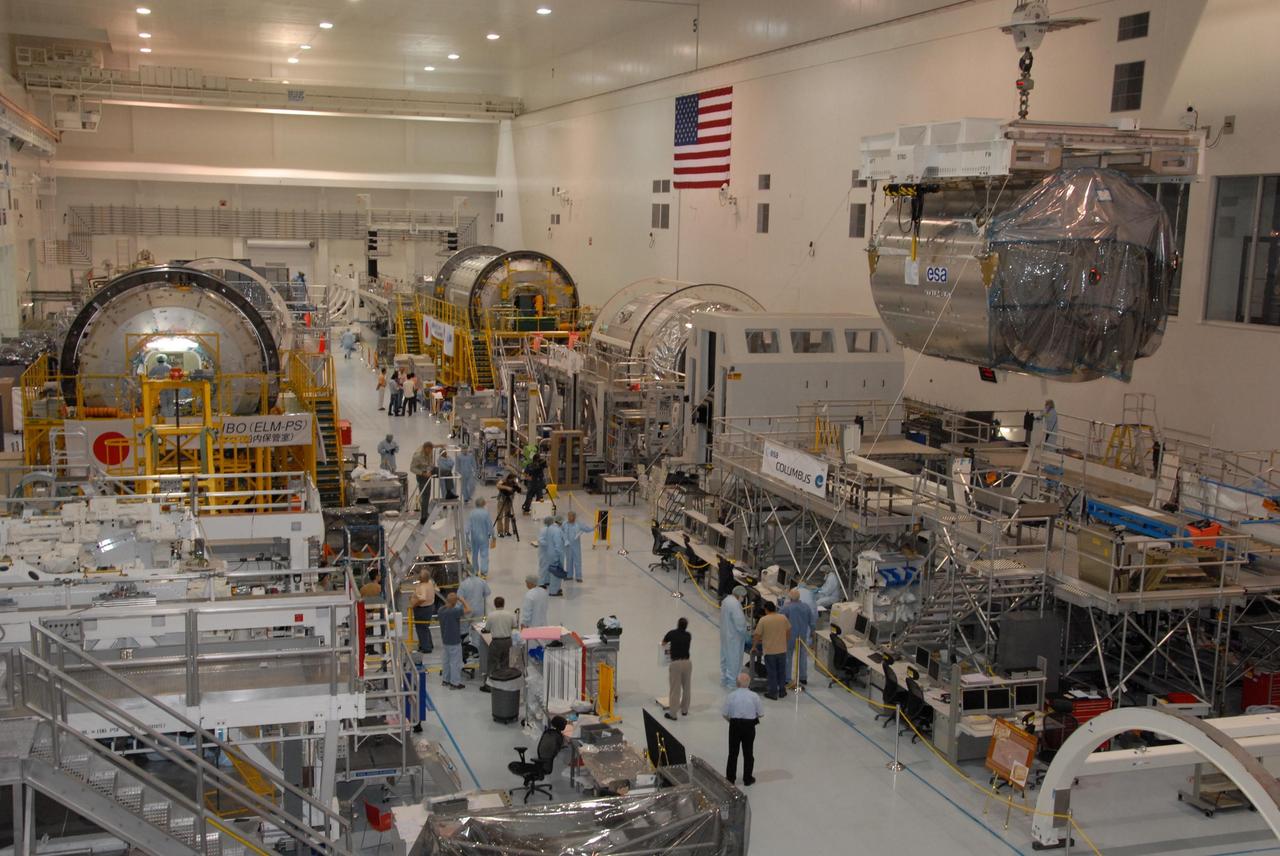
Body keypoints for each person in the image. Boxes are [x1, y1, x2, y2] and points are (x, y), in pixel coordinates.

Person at [722, 672, 764, 786]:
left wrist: (731, 722)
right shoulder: (754, 696)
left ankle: (730, 779)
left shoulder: (731, 696)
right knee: (748, 752)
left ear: (737, 683)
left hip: (735, 725)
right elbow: (761, 714)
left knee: (733, 753)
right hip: (749, 726)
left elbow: (725, 713)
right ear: (749, 683)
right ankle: (747, 778)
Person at [752, 601, 791, 700]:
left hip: (770, 651)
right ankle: (782, 691)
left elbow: (757, 635)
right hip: (782, 650)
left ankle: (773, 692)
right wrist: (785, 642)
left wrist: (754, 646)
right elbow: (788, 630)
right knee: (782, 671)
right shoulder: (783, 618)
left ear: (766, 609)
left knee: (772, 672)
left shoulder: (764, 620)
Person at [780, 588, 817, 688]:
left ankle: (787, 678)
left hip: (789, 636)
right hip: (802, 635)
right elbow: (812, 622)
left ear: (790, 597)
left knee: (788, 656)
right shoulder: (806, 607)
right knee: (803, 655)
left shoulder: (786, 608)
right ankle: (803, 677)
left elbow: (779, 620)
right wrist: (812, 634)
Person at [437, 592, 471, 689]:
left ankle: (445, 680)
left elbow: (447, 606)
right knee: (455, 662)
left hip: (445, 640)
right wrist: (462, 600)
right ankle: (455, 683)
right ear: (455, 602)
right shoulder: (455, 611)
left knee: (446, 661)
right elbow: (469, 609)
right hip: (454, 641)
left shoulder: (441, 610)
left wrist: (451, 600)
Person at [662, 617, 692, 720]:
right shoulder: (688, 635)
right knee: (687, 688)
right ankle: (684, 710)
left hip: (676, 664)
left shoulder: (672, 633)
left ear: (678, 624)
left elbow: (663, 643)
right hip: (687, 663)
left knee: (675, 689)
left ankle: (673, 714)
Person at [482, 595, 516, 688]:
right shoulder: (510, 614)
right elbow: (514, 625)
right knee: (505, 663)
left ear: (494, 604)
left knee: (492, 663)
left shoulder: (491, 615)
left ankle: (489, 685)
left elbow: (487, 628)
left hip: (496, 642)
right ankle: (504, 683)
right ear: (504, 604)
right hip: (508, 641)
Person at [720, 587, 750, 688]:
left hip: (726, 634)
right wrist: (746, 634)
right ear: (740, 596)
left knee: (726, 657)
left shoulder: (726, 600)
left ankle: (724, 679)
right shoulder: (735, 605)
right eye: (743, 597)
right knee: (734, 660)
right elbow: (740, 623)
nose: (743, 599)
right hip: (734, 637)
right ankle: (732, 683)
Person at [409, 569, 438, 656]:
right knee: (425, 627)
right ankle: (428, 644)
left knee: (421, 628)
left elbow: (422, 598)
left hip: (422, 608)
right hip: (429, 607)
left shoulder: (423, 587)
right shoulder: (430, 583)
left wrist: (414, 604)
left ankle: (426, 648)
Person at [466, 498, 496, 577]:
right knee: (484, 555)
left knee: (474, 555)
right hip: (484, 538)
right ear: (483, 504)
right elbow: (489, 526)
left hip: (474, 538)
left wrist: (467, 537)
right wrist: (493, 536)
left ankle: (475, 571)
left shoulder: (472, 513)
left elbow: (468, 527)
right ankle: (483, 572)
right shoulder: (485, 513)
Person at [537, 516, 566, 597]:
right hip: (551, 553)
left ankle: (547, 583)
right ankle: (553, 590)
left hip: (549, 553)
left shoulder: (550, 529)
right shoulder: (555, 530)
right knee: (555, 572)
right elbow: (558, 545)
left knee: (550, 570)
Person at [562, 510, 591, 582]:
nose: (569, 518)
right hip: (568, 546)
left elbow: (587, 529)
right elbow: (561, 532)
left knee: (577, 561)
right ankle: (569, 575)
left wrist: (594, 527)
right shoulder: (564, 524)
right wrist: (564, 540)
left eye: (571, 516)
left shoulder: (579, 524)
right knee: (569, 561)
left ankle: (578, 577)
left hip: (576, 546)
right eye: (568, 516)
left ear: (574, 517)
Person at [411, 441, 436, 524]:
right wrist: (422, 473)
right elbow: (412, 468)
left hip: (428, 476)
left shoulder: (430, 453)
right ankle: (423, 517)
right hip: (421, 477)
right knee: (424, 496)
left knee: (427, 495)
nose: (430, 452)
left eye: (431, 450)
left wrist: (429, 470)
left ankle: (425, 514)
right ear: (425, 448)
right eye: (429, 450)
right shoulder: (417, 456)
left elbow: (431, 463)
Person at [495, 472, 521, 537]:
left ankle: (506, 531)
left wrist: (517, 485)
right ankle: (500, 532)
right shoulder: (504, 480)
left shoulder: (514, 483)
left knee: (507, 516)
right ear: (509, 478)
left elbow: (520, 491)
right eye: (513, 479)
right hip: (501, 500)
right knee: (500, 516)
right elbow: (498, 485)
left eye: (515, 479)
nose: (514, 480)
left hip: (509, 500)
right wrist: (507, 488)